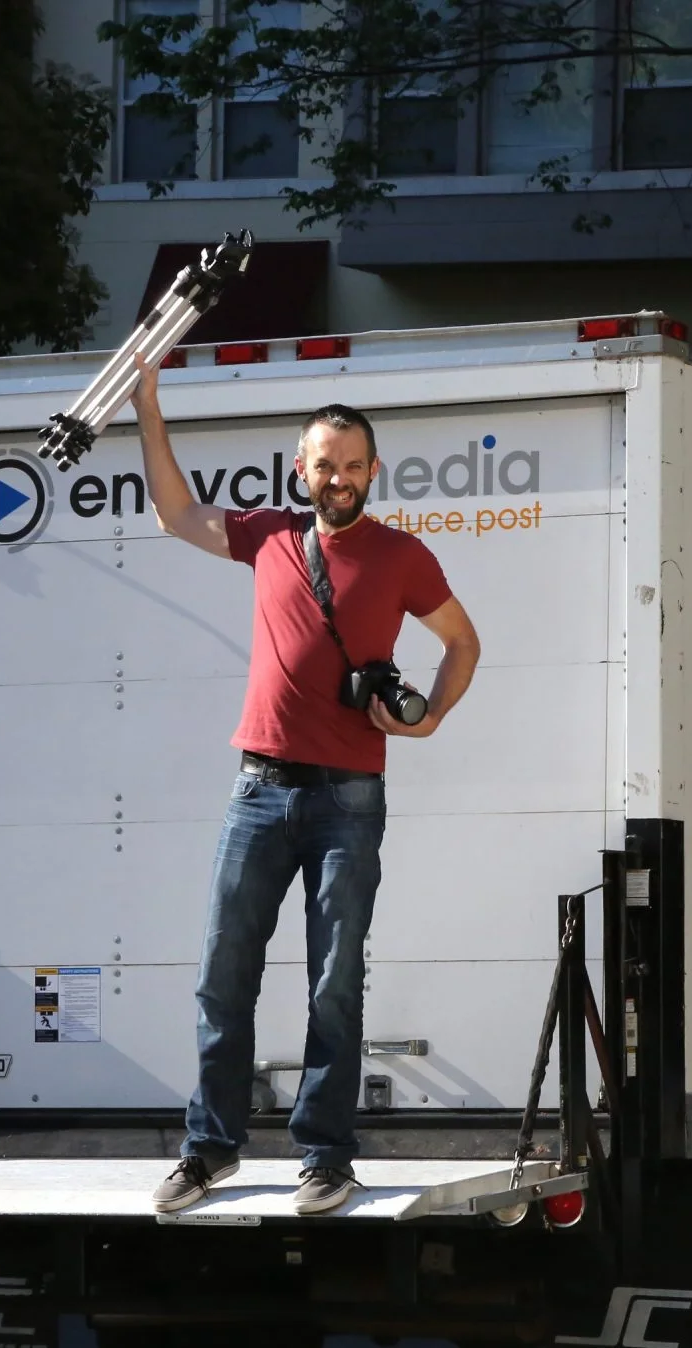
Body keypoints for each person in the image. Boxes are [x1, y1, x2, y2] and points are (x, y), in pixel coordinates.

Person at [133, 361, 481, 1215]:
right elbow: (175, 513)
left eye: (354, 464)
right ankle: (210, 1149)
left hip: (348, 799)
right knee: (222, 975)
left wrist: (431, 717)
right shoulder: (270, 536)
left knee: (334, 981)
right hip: (257, 791)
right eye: (325, 464)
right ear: (302, 469)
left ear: (374, 469)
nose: (339, 478)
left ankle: (326, 1158)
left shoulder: (402, 555)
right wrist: (147, 406)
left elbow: (463, 641)